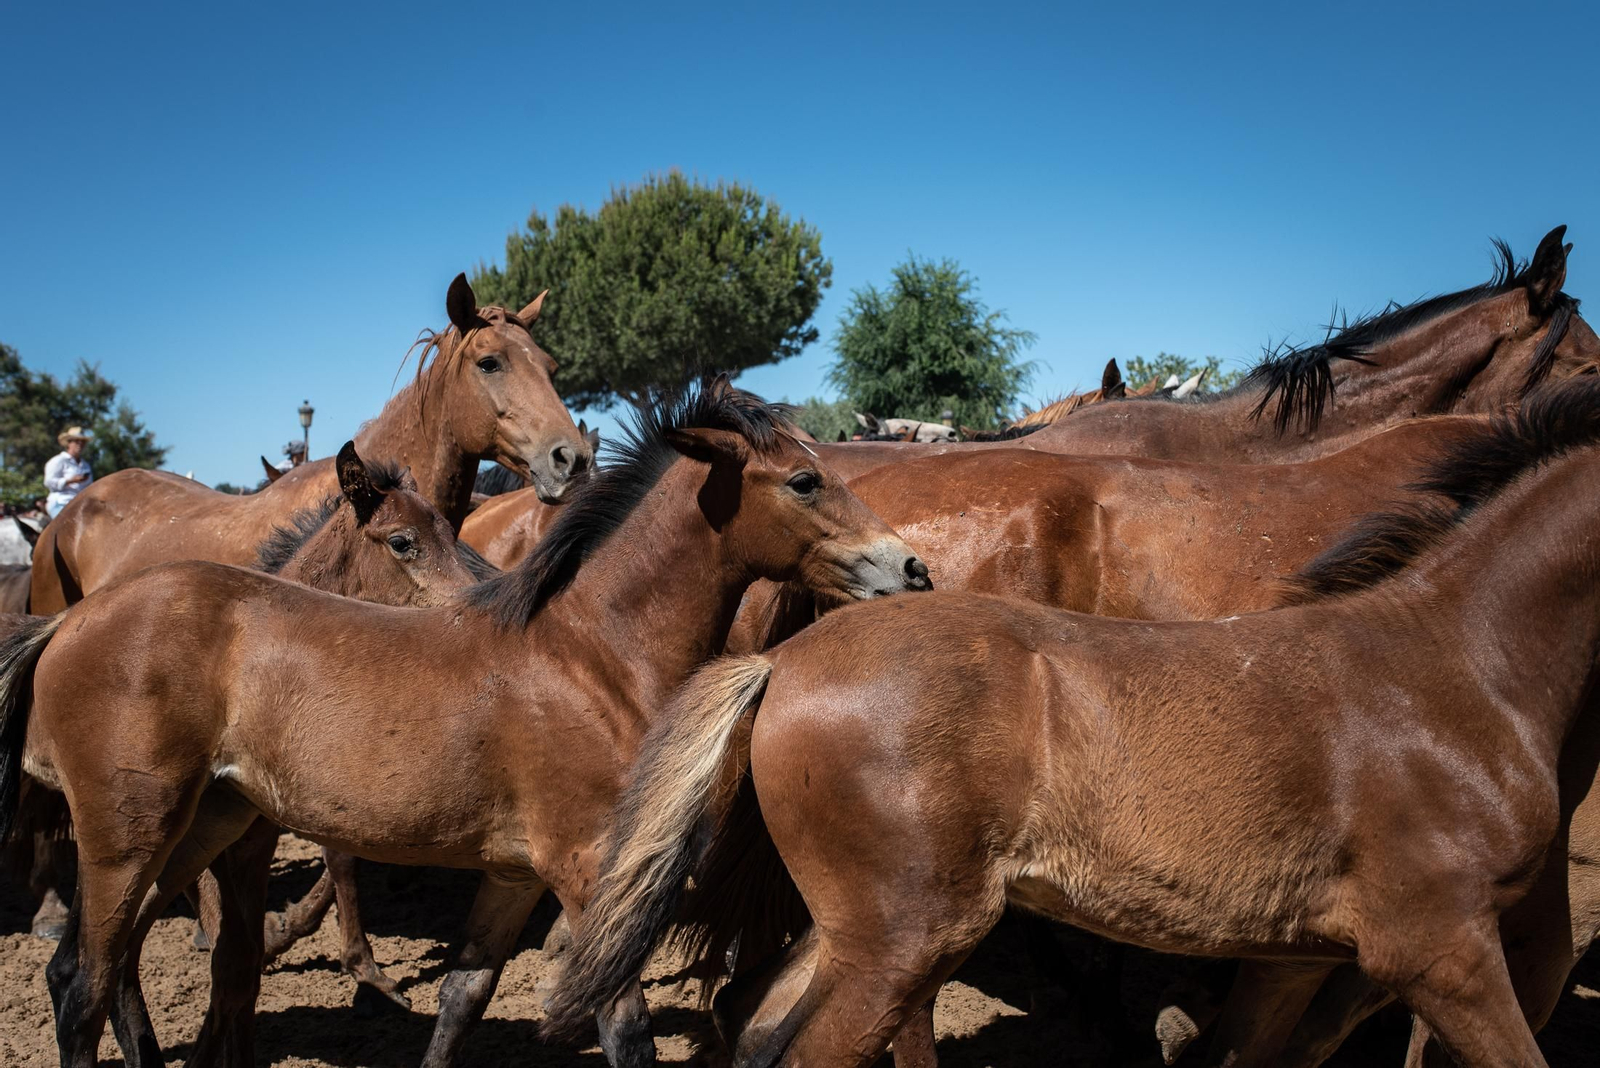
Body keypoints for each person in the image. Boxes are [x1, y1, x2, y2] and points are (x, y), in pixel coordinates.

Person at [43, 426, 94, 519]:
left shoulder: (86, 465)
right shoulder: (58, 461)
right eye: (76, 441)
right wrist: (70, 481)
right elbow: (48, 482)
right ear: (69, 443)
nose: (80, 444)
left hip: (81, 504)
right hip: (61, 502)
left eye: (82, 442)